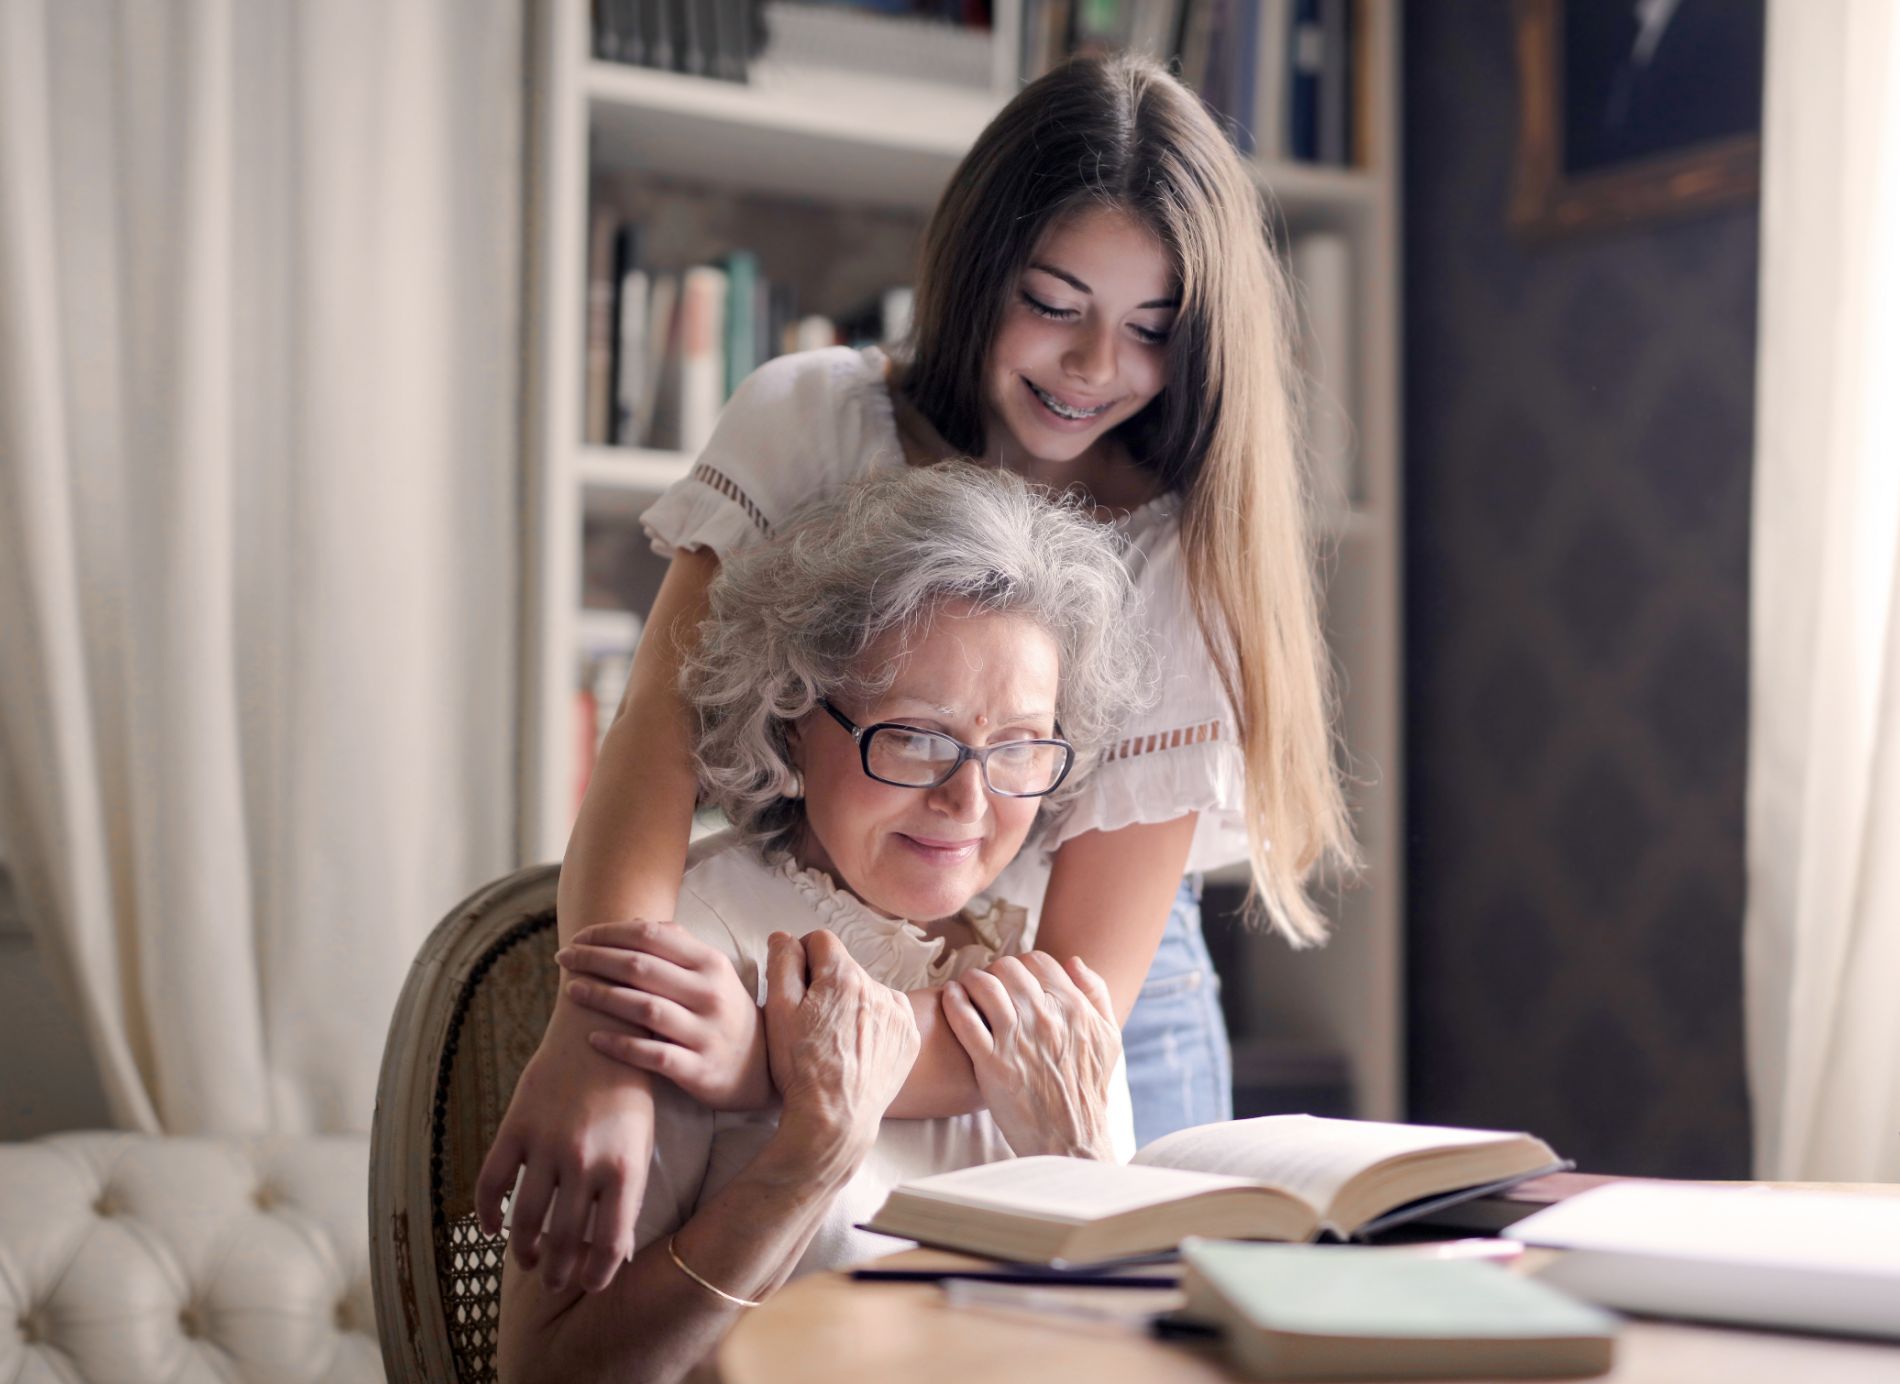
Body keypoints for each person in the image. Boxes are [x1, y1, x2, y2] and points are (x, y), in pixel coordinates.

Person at [479, 51, 1358, 1296]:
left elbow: (1081, 991)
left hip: (1080, 1013)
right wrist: (601, 1038)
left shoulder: (1180, 546)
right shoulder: (812, 423)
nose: (1094, 366)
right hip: (810, 946)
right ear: (975, 271)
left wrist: (760, 1063)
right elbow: (651, 758)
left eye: (1152, 330)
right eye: (1053, 302)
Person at [495, 465, 1141, 1384]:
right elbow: (546, 1373)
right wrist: (804, 1164)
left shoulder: (1049, 992)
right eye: (917, 735)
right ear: (795, 718)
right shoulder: (689, 953)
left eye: (1018, 748)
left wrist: (1080, 1166)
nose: (969, 799)